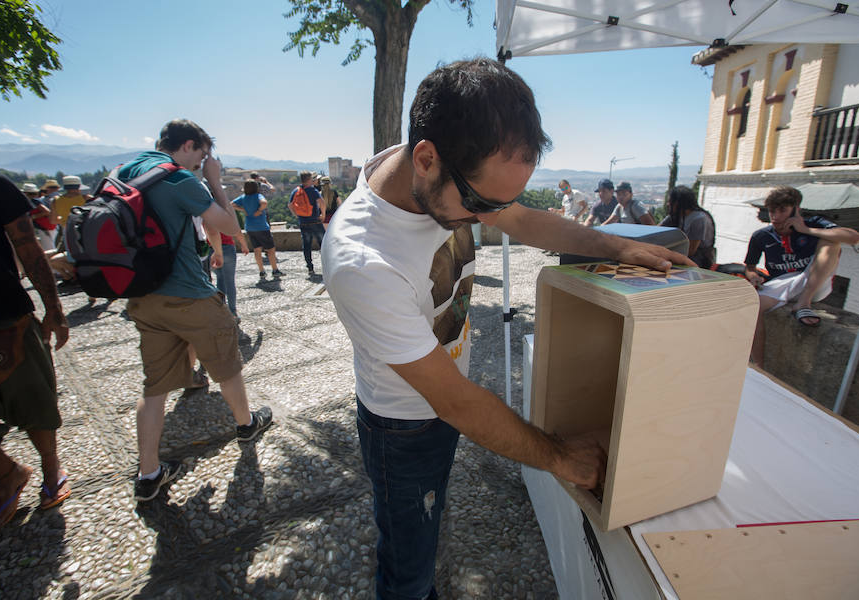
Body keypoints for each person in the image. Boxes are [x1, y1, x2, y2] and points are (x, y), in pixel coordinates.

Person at [321, 58, 691, 600]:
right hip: (403, 427)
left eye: (498, 202)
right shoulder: (363, 259)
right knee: (408, 565)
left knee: (427, 530)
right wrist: (560, 457)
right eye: (479, 204)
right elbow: (459, 405)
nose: (489, 218)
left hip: (441, 404)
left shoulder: (441, 174)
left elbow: (520, 218)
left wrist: (617, 246)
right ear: (426, 159)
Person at [120, 119, 272, 502]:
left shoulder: (124, 172)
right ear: (188, 145)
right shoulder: (177, 178)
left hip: (142, 297)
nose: (201, 163)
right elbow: (230, 224)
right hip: (188, 292)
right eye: (201, 155)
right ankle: (246, 424)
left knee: (153, 388)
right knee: (227, 365)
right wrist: (214, 180)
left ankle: (149, 473)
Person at [0, 168, 71, 531]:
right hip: (2, 315)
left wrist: (54, 307)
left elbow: (27, 246)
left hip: (4, 316)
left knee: (35, 401)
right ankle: (9, 472)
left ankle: (51, 466)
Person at [743, 186, 859, 365]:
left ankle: (803, 303)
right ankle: (759, 366)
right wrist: (753, 276)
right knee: (752, 306)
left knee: (831, 243)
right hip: (782, 284)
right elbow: (750, 267)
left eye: (782, 210)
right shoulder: (761, 236)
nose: (775, 217)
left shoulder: (814, 224)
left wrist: (806, 230)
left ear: (796, 210)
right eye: (773, 211)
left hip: (813, 280)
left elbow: (853, 237)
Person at [232, 179, 280, 280]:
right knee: (270, 249)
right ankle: (275, 270)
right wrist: (259, 210)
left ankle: (262, 271)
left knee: (257, 249)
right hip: (261, 226)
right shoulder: (258, 196)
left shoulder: (243, 197)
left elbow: (231, 204)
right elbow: (264, 203)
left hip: (250, 227)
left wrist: (243, 209)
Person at [659, 185, 717, 269]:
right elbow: (657, 230)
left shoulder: (699, 219)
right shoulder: (677, 216)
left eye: (670, 201)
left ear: (678, 203)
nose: (668, 204)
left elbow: (691, 251)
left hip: (698, 260)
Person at [288, 171, 326, 275]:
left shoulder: (296, 191)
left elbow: (290, 205)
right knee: (323, 244)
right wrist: (323, 214)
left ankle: (310, 268)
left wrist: (297, 215)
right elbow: (321, 202)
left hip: (303, 222)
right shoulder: (312, 190)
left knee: (307, 246)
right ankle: (327, 266)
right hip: (315, 221)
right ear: (309, 180)